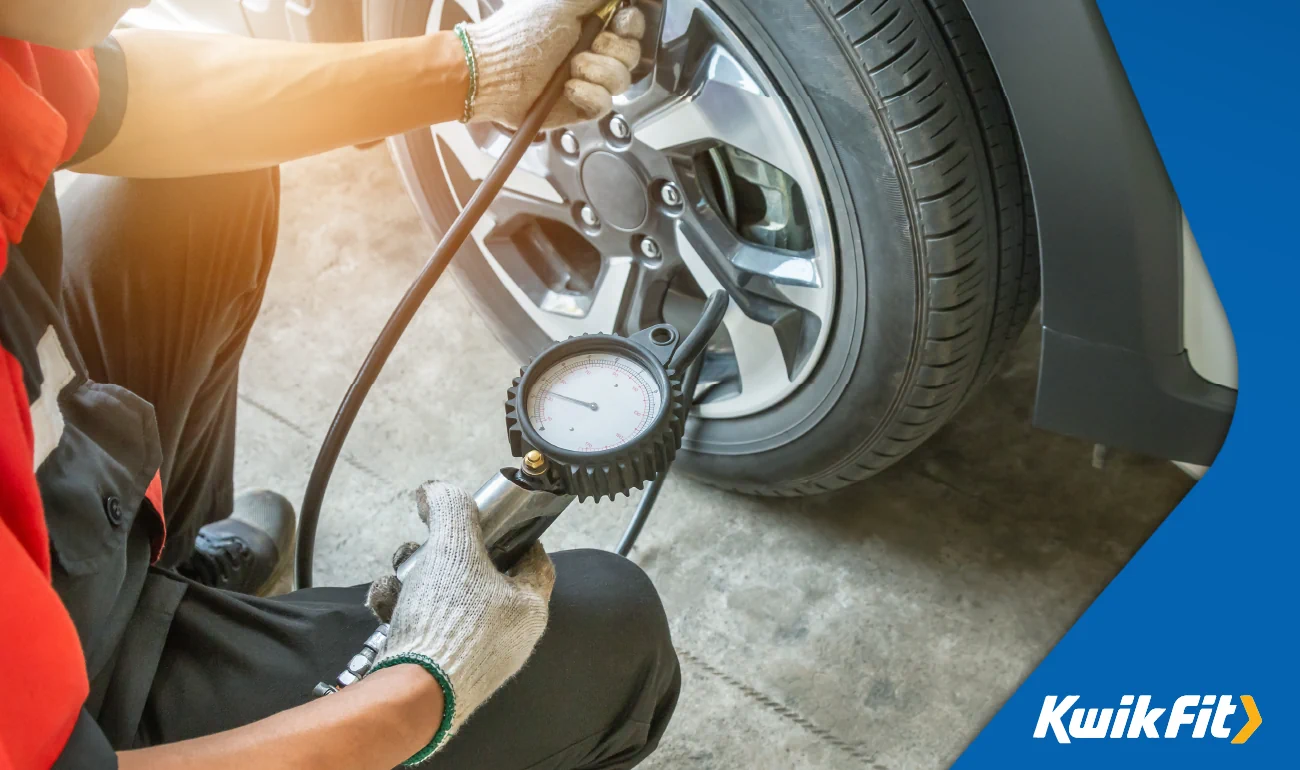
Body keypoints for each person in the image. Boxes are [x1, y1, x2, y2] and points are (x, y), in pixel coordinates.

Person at [0, 1, 680, 768]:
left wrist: (479, 69)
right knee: (613, 635)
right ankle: (155, 667)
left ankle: (166, 575)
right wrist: (424, 683)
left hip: (50, 545)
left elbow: (106, 90)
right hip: (70, 729)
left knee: (197, 184)